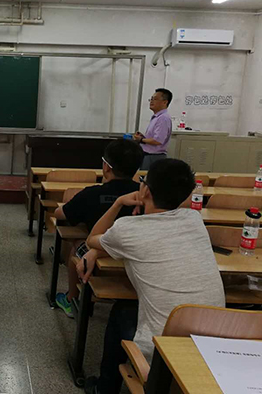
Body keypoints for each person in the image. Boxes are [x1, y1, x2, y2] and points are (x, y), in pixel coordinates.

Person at [78, 159, 225, 394]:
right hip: (213, 344)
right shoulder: (194, 220)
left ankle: (104, 389)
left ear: (145, 190)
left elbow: (92, 239)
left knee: (122, 312)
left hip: (164, 354)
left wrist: (118, 203)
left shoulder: (127, 229)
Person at [53, 139, 144, 318]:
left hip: (98, 252)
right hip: (133, 254)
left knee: (76, 244)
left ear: (106, 167)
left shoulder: (91, 194)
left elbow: (60, 214)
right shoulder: (143, 196)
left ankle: (71, 299)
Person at [134, 88, 173, 170]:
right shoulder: (157, 117)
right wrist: (143, 137)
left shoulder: (163, 118)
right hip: (149, 156)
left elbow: (157, 140)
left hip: (154, 157)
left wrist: (141, 140)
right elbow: (154, 137)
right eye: (151, 99)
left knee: (148, 177)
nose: (151, 101)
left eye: (155, 99)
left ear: (165, 102)